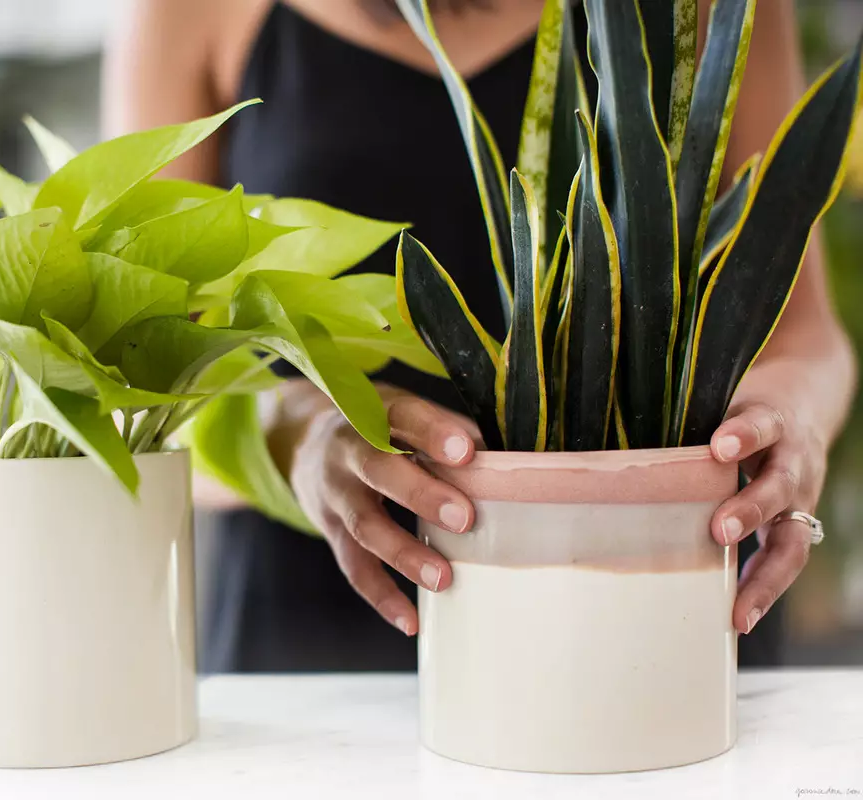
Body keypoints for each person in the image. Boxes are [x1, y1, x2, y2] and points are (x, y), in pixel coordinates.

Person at [104, 0, 856, 671]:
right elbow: (129, 393)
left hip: (652, 611)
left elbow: (804, 334)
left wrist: (786, 424)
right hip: (317, 639)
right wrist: (290, 430)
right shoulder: (189, 11)